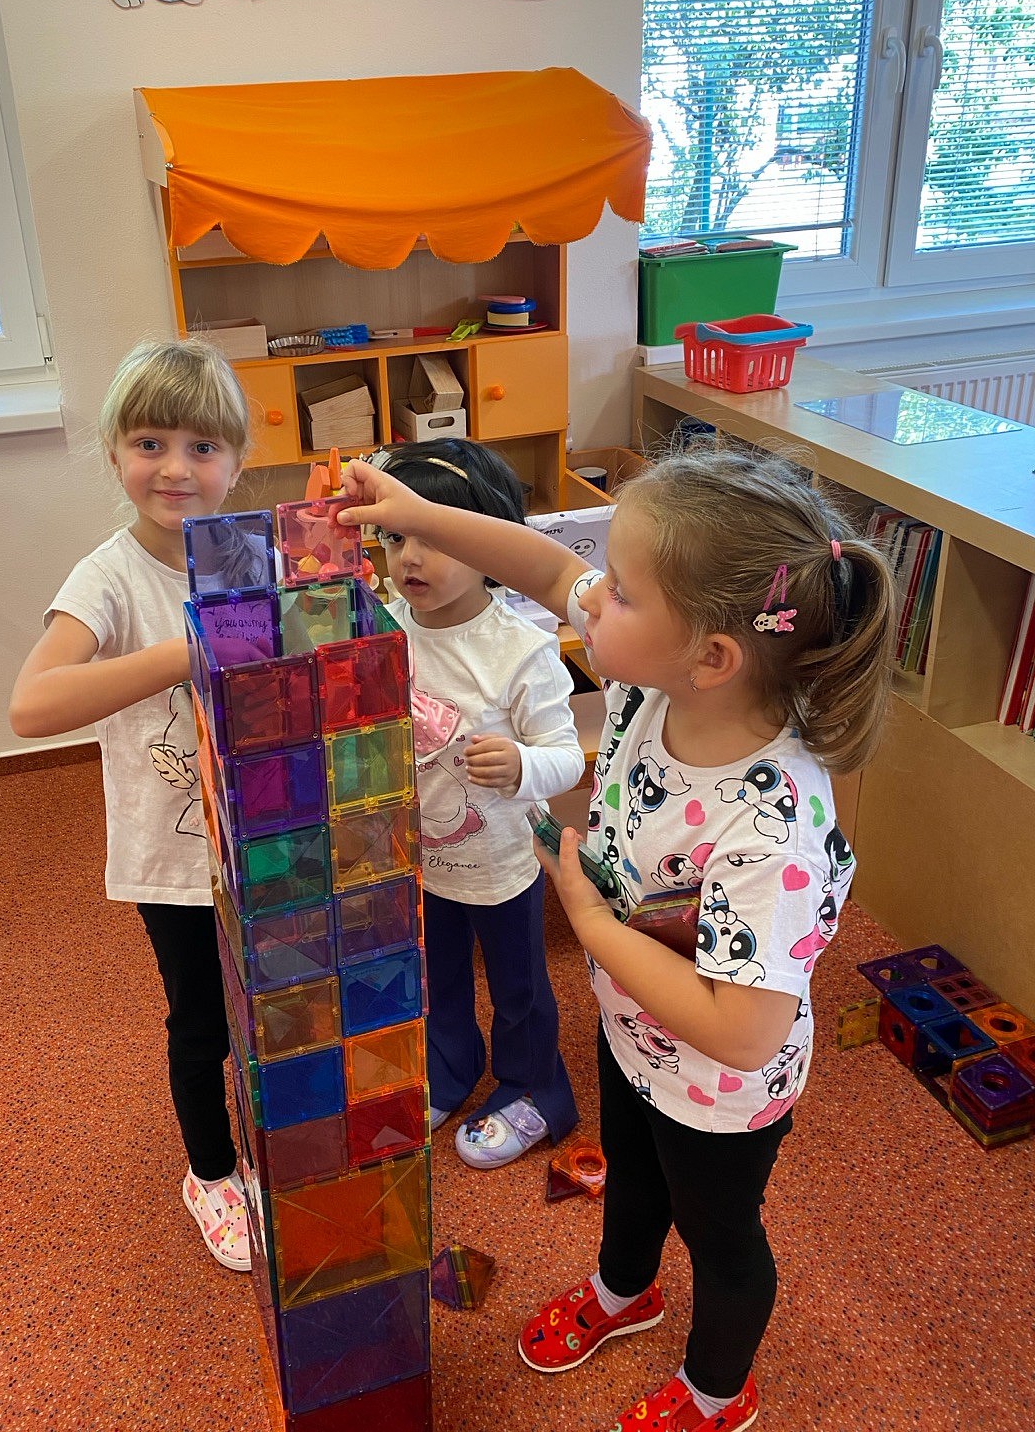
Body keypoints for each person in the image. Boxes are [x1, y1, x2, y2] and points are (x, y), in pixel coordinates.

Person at [340, 441, 896, 1431]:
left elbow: (745, 1031)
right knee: (633, 1178)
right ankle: (623, 1290)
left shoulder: (772, 823)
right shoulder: (654, 683)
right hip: (635, 1030)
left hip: (720, 1090)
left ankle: (717, 1393)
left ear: (712, 655)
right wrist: (409, 512)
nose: (591, 600)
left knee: (722, 1240)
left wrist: (592, 925)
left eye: (621, 593)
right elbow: (543, 563)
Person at [9, 338, 253, 1273]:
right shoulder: (106, 577)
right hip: (174, 858)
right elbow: (31, 707)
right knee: (202, 1024)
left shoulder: (254, 555)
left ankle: (271, 1149)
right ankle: (210, 1173)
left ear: (236, 462)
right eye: (151, 443)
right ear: (115, 454)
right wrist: (180, 655)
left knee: (276, 1009)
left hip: (268, 839)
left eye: (202, 447)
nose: (176, 468)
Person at [372, 439, 584, 1168]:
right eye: (395, 537)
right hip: (418, 858)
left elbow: (566, 757)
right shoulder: (385, 627)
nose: (409, 558)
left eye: (434, 536)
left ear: (489, 541)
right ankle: (451, 1067)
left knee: (520, 987)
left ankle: (536, 1090)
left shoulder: (519, 648)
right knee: (438, 979)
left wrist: (523, 764)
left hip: (502, 863)